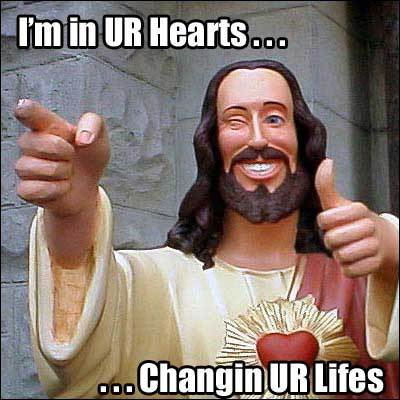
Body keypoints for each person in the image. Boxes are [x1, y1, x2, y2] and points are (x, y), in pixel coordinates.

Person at [14, 60, 398, 399]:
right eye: (236, 121)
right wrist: (73, 215)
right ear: (211, 145)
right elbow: (81, 364)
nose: (258, 138)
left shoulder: (361, 285)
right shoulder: (159, 283)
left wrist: (393, 255)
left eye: (274, 118)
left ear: (302, 139)